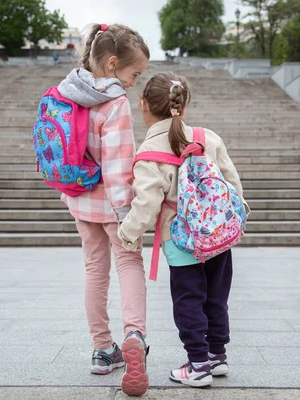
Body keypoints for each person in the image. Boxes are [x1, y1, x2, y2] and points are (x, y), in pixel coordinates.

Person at [118, 72, 249, 388]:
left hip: (181, 241)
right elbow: (232, 182)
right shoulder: (207, 137)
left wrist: (127, 232)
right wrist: (239, 214)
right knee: (216, 298)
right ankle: (217, 356)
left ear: (144, 106)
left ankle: (197, 364)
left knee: (189, 300)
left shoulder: (149, 152)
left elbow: (147, 202)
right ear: (184, 106)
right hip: (217, 236)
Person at [57, 23, 150, 396]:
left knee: (95, 270)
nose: (134, 82)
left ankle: (102, 349)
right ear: (113, 64)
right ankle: (134, 336)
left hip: (79, 198)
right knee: (129, 263)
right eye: (134, 73)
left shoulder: (68, 93)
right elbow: (118, 165)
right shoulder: (115, 104)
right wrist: (127, 212)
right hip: (113, 204)